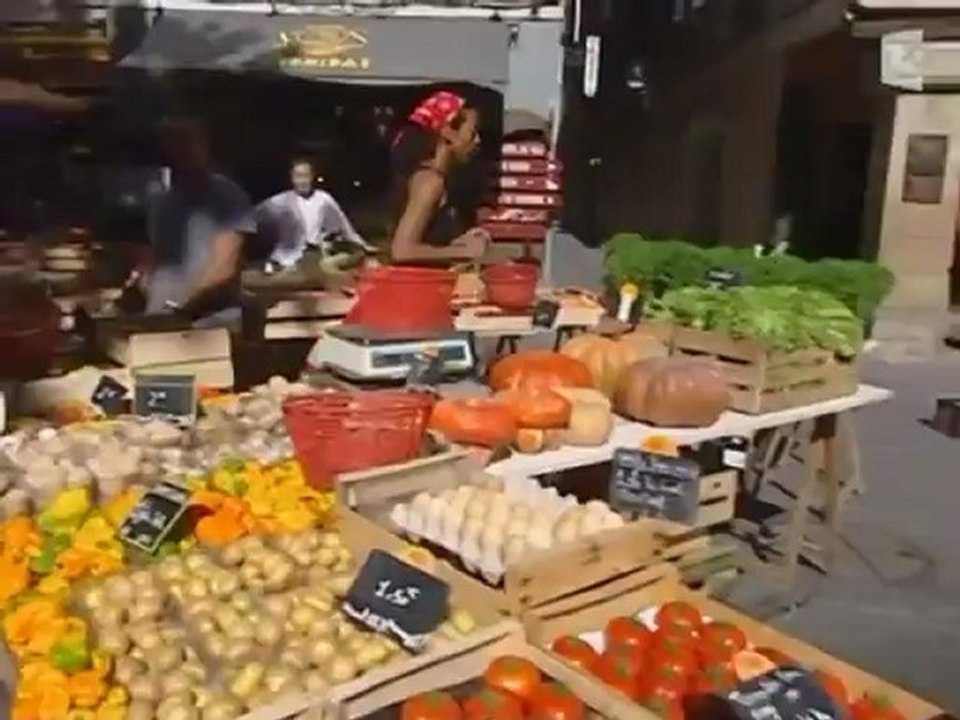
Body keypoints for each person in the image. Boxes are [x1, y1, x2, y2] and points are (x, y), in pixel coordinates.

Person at [139, 117, 254, 327]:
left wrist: (180, 306)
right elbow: (156, 259)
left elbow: (224, 268)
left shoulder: (228, 197)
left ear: (204, 146)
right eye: (172, 145)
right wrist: (140, 283)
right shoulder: (162, 202)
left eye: (187, 144)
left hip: (208, 324)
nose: (179, 153)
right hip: (159, 321)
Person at [389, 90, 490, 263]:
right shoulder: (430, 182)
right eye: (472, 133)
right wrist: (463, 252)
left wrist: (459, 243)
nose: (478, 141)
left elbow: (427, 243)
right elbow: (401, 250)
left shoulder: (437, 179)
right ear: (448, 133)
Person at [256, 156, 374, 270]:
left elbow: (345, 228)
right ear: (291, 178)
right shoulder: (279, 202)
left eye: (306, 176)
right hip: (285, 259)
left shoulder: (323, 199)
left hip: (314, 256)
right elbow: (253, 219)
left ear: (312, 177)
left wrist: (364, 246)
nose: (302, 181)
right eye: (298, 176)